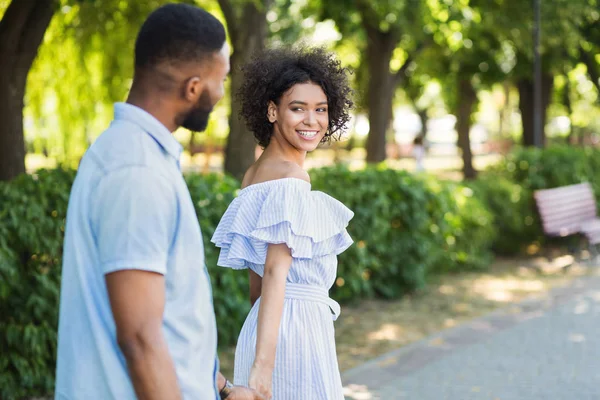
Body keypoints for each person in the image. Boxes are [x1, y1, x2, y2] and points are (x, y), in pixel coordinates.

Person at [54, 4, 262, 400]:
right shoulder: (137, 171)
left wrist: (221, 387)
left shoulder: (141, 156)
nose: (222, 94)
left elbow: (172, 312)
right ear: (193, 87)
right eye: (221, 81)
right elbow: (140, 338)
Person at [211, 47, 355, 399]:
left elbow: (256, 286)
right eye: (298, 108)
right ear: (273, 110)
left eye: (320, 109)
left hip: (268, 327)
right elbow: (274, 271)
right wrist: (264, 366)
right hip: (295, 333)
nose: (312, 120)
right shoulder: (292, 178)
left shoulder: (253, 175)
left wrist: (259, 350)